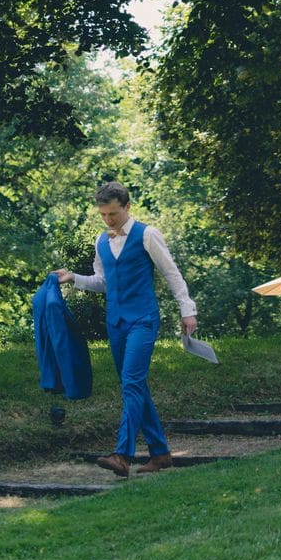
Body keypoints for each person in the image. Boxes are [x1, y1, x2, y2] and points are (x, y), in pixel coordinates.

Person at [53, 182, 198, 477]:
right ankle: (160, 454)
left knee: (131, 383)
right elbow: (103, 282)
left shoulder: (147, 234)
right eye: (103, 215)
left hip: (143, 319)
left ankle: (123, 455)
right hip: (116, 323)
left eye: (114, 214)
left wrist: (187, 310)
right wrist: (73, 278)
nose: (108, 220)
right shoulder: (101, 241)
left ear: (127, 207)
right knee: (135, 385)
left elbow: (171, 273)